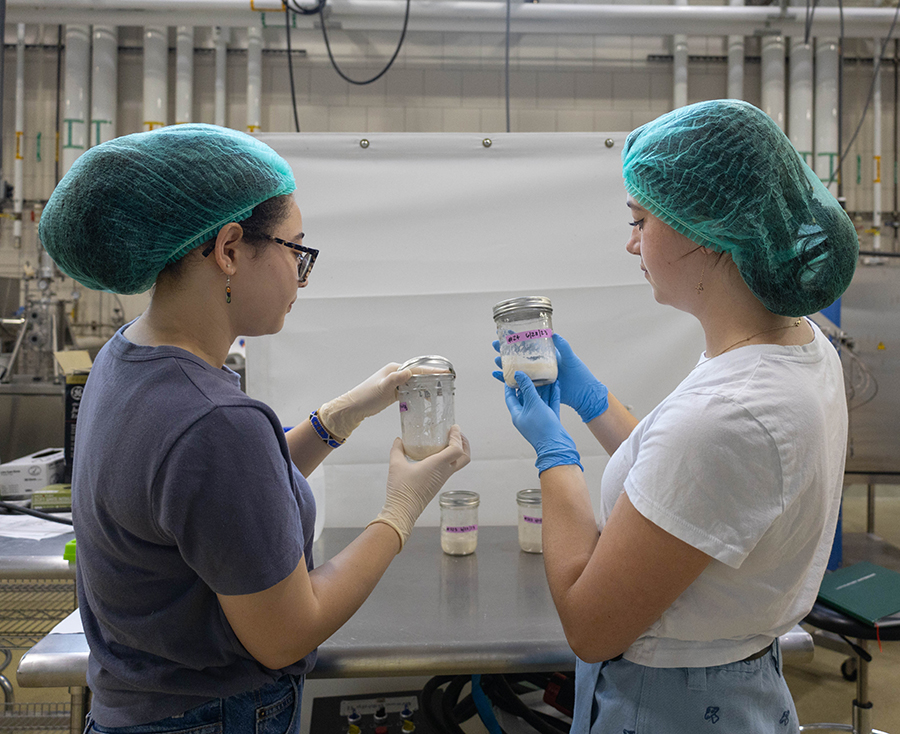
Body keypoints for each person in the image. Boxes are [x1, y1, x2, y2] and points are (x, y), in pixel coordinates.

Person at [39, 123, 470, 733]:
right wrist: (401, 510)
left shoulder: (126, 360)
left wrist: (338, 417)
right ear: (231, 249)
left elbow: (221, 502)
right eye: (297, 251)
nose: (300, 276)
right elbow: (287, 633)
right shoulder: (214, 420)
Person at [494, 99, 858, 733]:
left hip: (671, 704)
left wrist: (554, 455)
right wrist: (591, 400)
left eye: (641, 220)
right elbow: (688, 495)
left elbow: (590, 625)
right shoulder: (797, 346)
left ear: (705, 231)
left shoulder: (728, 414)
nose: (631, 241)